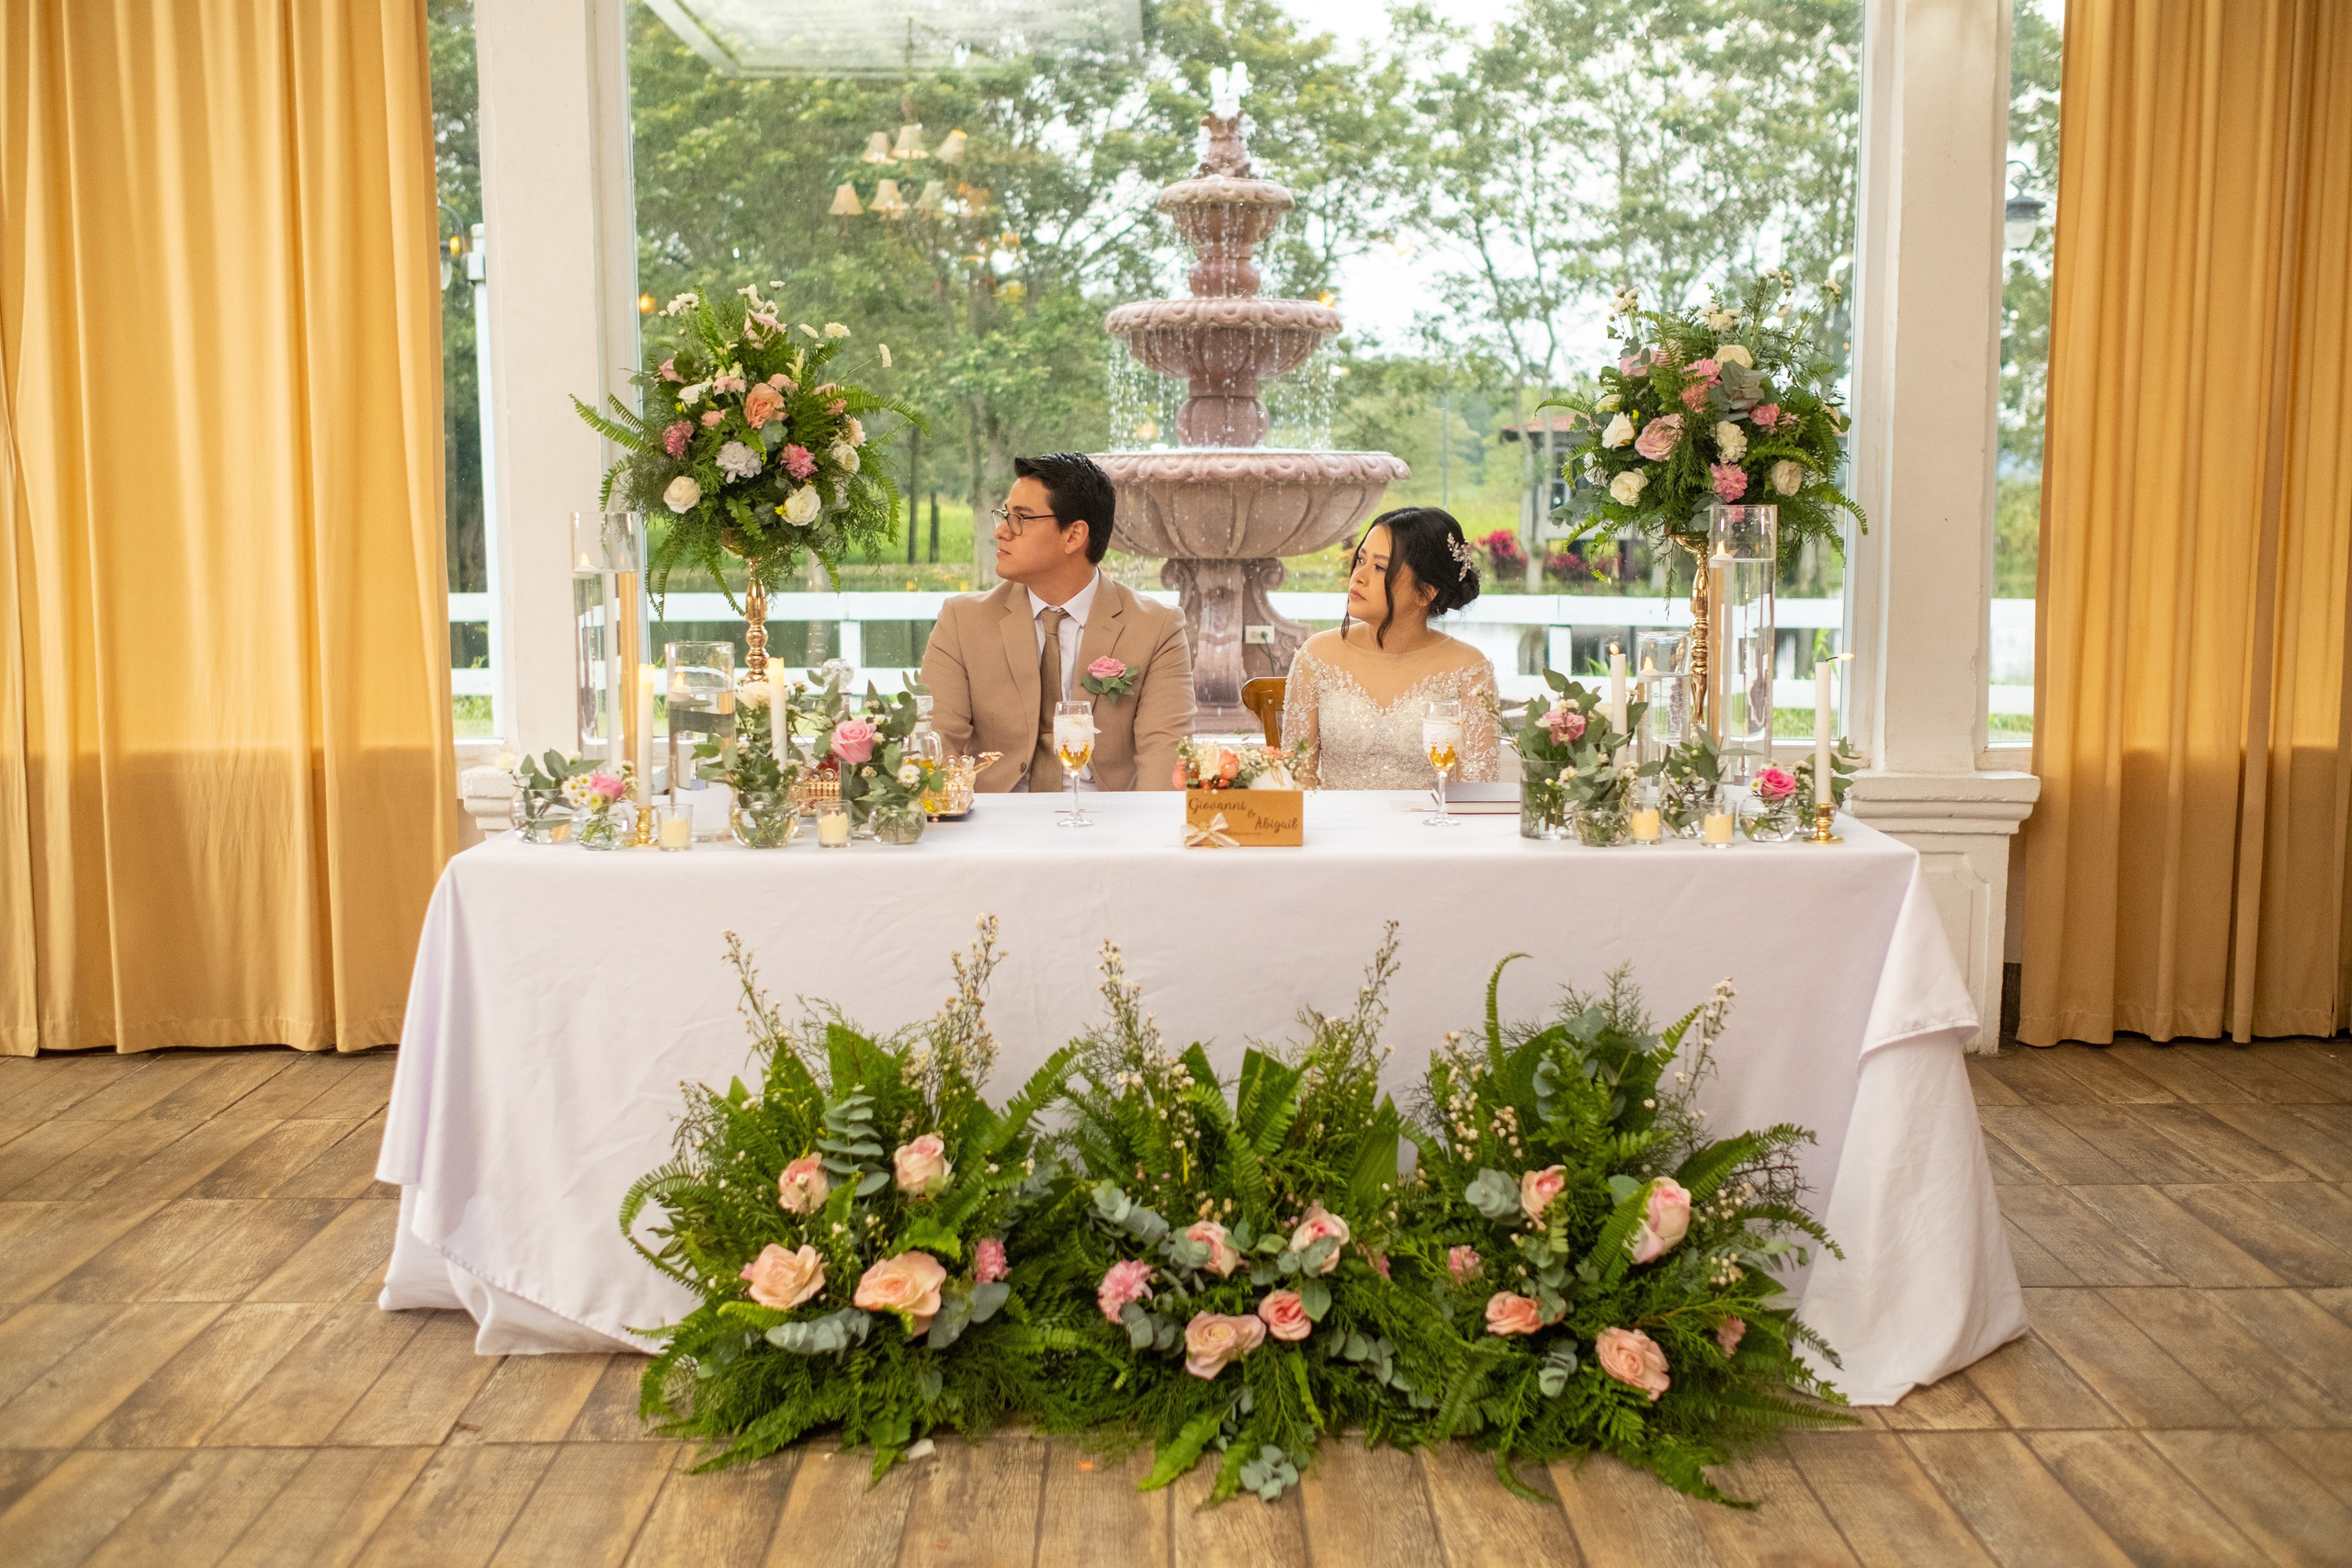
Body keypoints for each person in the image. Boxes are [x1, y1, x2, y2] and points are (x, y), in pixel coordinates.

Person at [921, 452, 1195, 792]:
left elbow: (1165, 755)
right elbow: (934, 740)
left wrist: (1139, 840)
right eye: (1005, 515)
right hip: (994, 823)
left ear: (1073, 536)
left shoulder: (1157, 627)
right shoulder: (962, 622)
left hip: (1109, 823)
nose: (1001, 531)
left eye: (1020, 518)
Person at [1281, 506, 1499, 789]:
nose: (1358, 576)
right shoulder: (1316, 656)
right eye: (1361, 559)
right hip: (1337, 830)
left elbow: (1477, 791)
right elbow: (1297, 780)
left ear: (1425, 592)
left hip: (1429, 831)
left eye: (1380, 567)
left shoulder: (1469, 669)